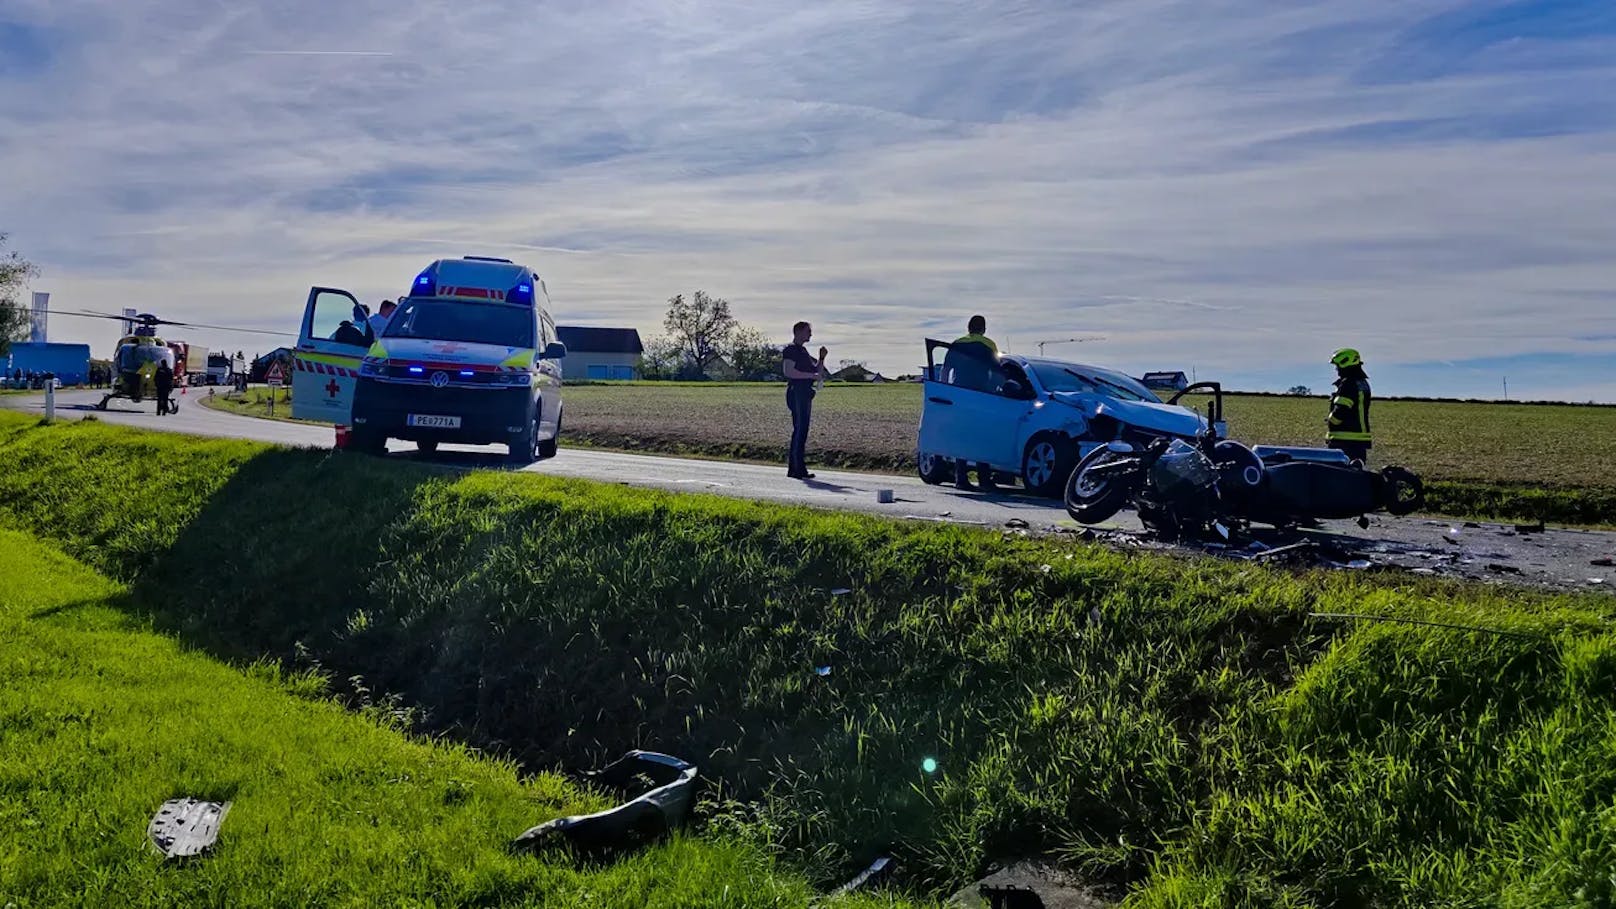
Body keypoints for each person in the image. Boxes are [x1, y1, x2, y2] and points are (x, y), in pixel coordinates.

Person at [948, 314, 1001, 490]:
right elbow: (996, 371)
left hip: (959, 394)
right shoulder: (989, 345)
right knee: (981, 436)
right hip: (981, 395)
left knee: (961, 435)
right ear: (983, 329)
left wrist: (944, 389)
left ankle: (960, 478)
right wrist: (997, 390)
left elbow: (946, 369)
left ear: (968, 327)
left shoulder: (957, 343)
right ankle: (984, 479)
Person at [781, 321, 829, 479]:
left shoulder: (803, 352)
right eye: (808, 331)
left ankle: (796, 468)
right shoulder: (791, 350)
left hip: (805, 392)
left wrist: (821, 359)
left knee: (802, 430)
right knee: (800, 429)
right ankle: (797, 469)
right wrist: (811, 376)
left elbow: (817, 371)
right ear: (799, 332)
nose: (810, 334)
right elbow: (789, 372)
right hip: (797, 392)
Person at [1326, 348, 1372, 464]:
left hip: (1345, 440)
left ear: (1345, 364)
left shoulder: (1348, 384)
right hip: (1358, 440)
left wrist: (1331, 420)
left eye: (1337, 366)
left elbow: (1341, 411)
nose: (1336, 369)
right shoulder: (1362, 383)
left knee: (1339, 475)